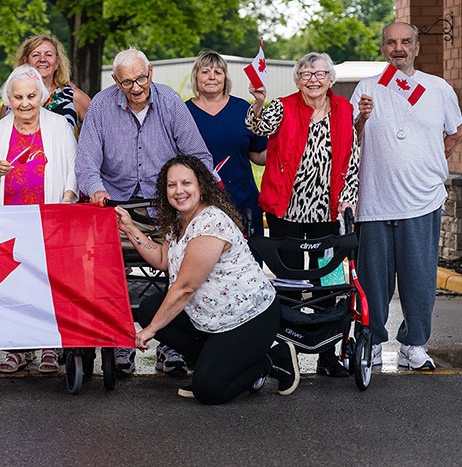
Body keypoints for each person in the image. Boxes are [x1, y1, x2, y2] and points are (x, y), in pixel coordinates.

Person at [76, 47, 215, 377]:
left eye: (141, 78)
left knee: (181, 264)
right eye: (127, 82)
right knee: (106, 267)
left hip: (164, 207)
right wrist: (96, 189)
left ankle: (171, 342)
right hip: (116, 206)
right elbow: (86, 163)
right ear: (116, 81)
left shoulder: (170, 102)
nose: (136, 87)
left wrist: (196, 192)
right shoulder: (101, 106)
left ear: (150, 72)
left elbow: (198, 156)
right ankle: (120, 339)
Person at [118, 155, 290, 403]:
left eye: (186, 183)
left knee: (209, 390)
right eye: (172, 185)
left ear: (201, 185)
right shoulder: (179, 220)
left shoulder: (211, 223)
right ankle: (222, 364)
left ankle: (271, 361)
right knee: (148, 309)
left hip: (248, 317)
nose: (179, 191)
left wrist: (151, 330)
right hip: (210, 315)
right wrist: (129, 228)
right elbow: (163, 259)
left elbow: (185, 288)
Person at [351, 22, 462, 371]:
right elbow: (352, 139)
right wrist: (362, 119)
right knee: (373, 280)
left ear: (416, 47)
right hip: (375, 200)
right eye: (391, 42)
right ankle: (371, 342)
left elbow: (454, 132)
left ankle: (413, 345)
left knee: (419, 279)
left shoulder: (438, 88)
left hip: (422, 199)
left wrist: (429, 163)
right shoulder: (367, 88)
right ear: (383, 48)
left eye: (405, 41)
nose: (398, 48)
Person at [246, 51, 359, 378]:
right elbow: (257, 127)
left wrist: (348, 199)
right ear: (297, 80)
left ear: (330, 79)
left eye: (320, 74)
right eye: (306, 74)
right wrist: (258, 103)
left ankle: (327, 355)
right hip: (286, 211)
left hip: (327, 213)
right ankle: (287, 353)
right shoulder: (282, 106)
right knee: (289, 284)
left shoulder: (344, 109)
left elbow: (352, 158)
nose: (313, 80)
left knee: (327, 284)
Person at [0, 64, 77, 374]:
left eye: (31, 96)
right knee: (15, 281)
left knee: (48, 281)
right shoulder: (0, 129)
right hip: (11, 219)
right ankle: (18, 347)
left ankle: (50, 345)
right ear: (9, 99)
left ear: (43, 96)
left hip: (50, 218)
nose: (24, 103)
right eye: (18, 97)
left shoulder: (58, 125)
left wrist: (67, 200)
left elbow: (73, 168)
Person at [185, 50, 267, 237]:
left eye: (218, 72)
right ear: (196, 76)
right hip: (199, 203)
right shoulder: (184, 112)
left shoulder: (243, 109)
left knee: (250, 253)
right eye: (205, 71)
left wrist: (289, 149)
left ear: (225, 78)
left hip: (243, 201)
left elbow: (259, 155)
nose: (212, 77)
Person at [1, 33, 91, 129]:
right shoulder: (12, 99)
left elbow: (98, 130)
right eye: (36, 55)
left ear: (57, 62)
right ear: (25, 62)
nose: (42, 59)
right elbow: (0, 134)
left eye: (48, 55)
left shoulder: (74, 97)